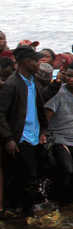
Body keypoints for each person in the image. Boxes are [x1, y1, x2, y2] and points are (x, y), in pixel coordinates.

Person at [0, 46, 49, 214]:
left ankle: (27, 211)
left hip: (35, 136)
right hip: (20, 138)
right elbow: (0, 115)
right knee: (24, 178)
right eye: (36, 61)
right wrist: (8, 139)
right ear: (27, 62)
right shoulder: (11, 85)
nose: (39, 64)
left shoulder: (32, 80)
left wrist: (42, 131)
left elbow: (40, 103)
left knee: (31, 176)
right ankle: (24, 212)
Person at [44, 62, 73, 203]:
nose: (72, 79)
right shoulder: (57, 93)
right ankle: (59, 204)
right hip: (58, 138)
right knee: (67, 171)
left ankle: (71, 207)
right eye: (69, 76)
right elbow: (46, 118)